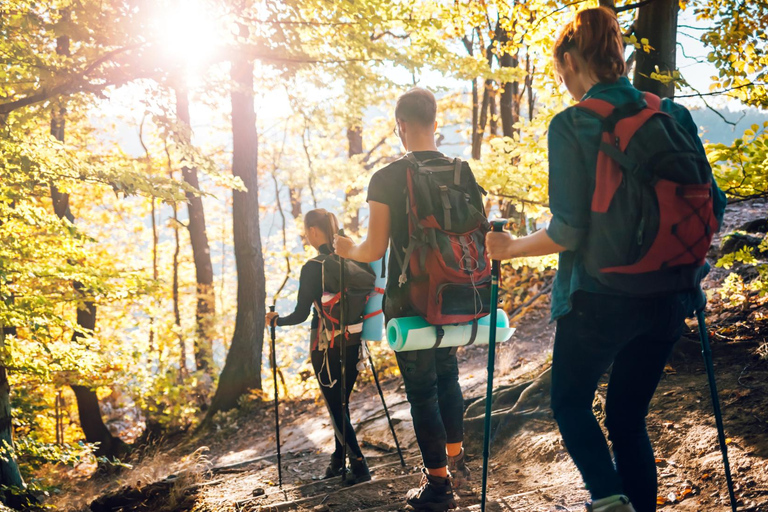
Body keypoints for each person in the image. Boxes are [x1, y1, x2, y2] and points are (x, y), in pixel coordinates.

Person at [485, 7, 726, 512]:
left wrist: (511, 248)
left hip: (600, 299)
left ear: (571, 62)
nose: (564, 84)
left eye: (561, 73)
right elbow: (716, 203)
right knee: (627, 416)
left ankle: (610, 499)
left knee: (570, 403)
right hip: (672, 293)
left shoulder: (573, 124)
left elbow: (569, 231)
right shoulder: (671, 113)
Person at [335, 88, 477, 511]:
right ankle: (456, 461)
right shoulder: (461, 171)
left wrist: (347, 250)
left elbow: (374, 249)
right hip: (456, 291)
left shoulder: (387, 177)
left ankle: (438, 485)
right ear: (435, 123)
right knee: (448, 374)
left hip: (410, 298)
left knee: (421, 391)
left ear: (400, 125)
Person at [266, 208, 371, 485]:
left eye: (306, 231)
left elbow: (301, 314)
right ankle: (338, 461)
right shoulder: (356, 259)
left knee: (336, 407)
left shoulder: (313, 268)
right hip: (354, 341)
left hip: (325, 346)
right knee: (342, 403)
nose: (306, 235)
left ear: (314, 231)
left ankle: (358, 465)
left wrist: (278, 320)